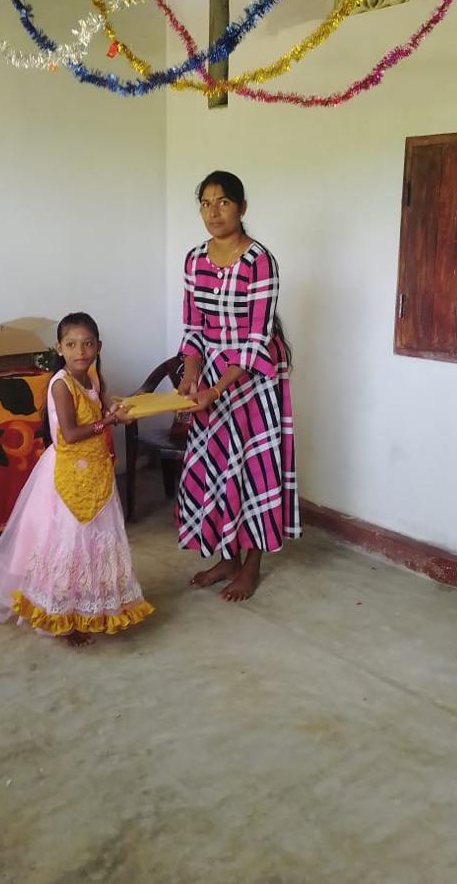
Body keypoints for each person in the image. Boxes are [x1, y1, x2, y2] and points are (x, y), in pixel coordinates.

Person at [0, 312, 154, 647]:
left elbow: (99, 411)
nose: (80, 351)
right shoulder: (60, 384)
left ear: (98, 346)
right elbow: (69, 434)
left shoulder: (93, 378)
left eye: (87, 344)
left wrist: (118, 412)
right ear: (59, 348)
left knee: (95, 541)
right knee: (68, 542)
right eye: (71, 344)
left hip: (95, 470)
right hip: (67, 473)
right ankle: (63, 617)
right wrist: (109, 422)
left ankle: (90, 605)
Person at [176, 171, 301, 602]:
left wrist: (214, 391)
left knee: (253, 471)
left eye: (223, 202)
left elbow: (255, 340)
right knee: (215, 468)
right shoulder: (194, 259)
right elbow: (193, 329)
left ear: (242, 208)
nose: (213, 212)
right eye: (206, 203)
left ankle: (251, 565)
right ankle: (227, 557)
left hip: (253, 380)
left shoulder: (259, 261)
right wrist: (191, 376)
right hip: (211, 378)